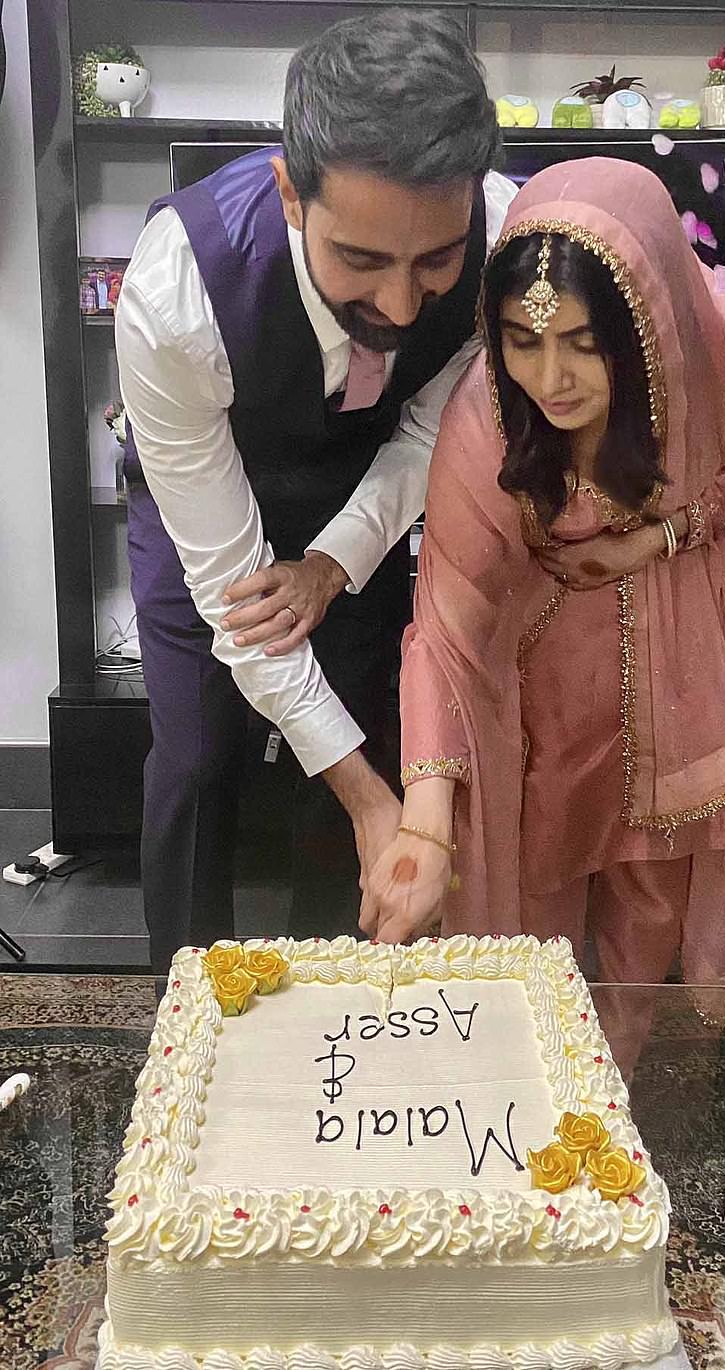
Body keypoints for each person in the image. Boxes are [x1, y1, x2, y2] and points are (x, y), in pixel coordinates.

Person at [115, 11, 516, 974]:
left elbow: (432, 428)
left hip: (368, 500)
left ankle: (337, 988)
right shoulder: (176, 295)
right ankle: (188, 998)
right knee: (200, 755)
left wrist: (337, 561)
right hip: (202, 508)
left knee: (358, 721)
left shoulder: (506, 233)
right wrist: (375, 803)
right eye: (364, 261)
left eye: (435, 260)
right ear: (293, 193)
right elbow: (240, 604)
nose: (402, 305)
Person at [362, 159, 725, 1020]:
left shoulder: (722, 353)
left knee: (646, 942)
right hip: (545, 722)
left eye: (584, 344)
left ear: (648, 331)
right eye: (523, 338)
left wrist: (658, 538)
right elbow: (448, 625)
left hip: (679, 700)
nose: (549, 379)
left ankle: (614, 1131)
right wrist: (427, 819)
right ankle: (542, 1133)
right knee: (535, 959)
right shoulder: (486, 423)